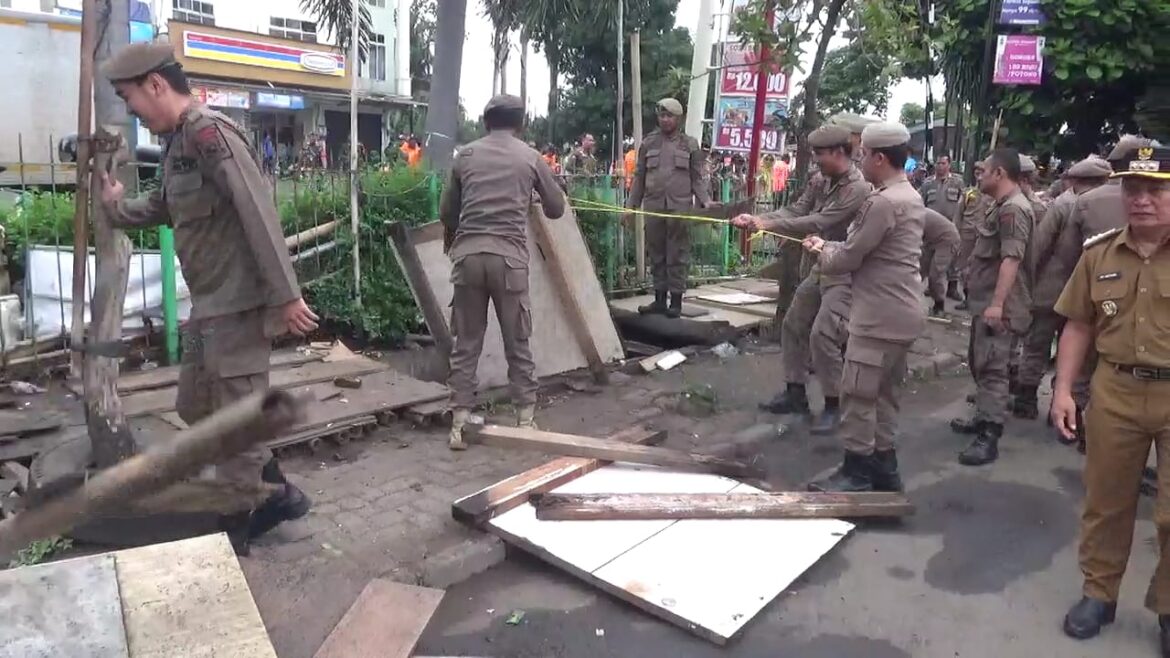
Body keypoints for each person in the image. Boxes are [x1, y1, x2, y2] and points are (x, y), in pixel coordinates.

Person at [96, 42, 319, 554]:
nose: (131, 111)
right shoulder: (178, 145)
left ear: (156, 85)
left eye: (131, 99)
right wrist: (115, 207)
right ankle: (279, 492)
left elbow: (257, 210)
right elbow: (163, 204)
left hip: (239, 307)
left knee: (235, 423)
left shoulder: (209, 132)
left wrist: (285, 296)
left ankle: (236, 530)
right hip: (210, 308)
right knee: (195, 406)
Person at [1050, 145, 1170, 654]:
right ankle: (1099, 594)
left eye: (1155, 189)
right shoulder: (1099, 253)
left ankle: (1168, 608)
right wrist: (1061, 390)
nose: (1141, 199)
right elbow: (1078, 324)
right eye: (1132, 189)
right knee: (1106, 502)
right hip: (1116, 391)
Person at [801, 122, 926, 492]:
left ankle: (856, 473)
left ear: (879, 158)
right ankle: (885, 468)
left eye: (863, 153)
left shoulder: (882, 202)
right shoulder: (909, 195)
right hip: (902, 312)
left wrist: (822, 248)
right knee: (886, 394)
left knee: (857, 394)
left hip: (877, 316)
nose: (859, 159)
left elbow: (849, 258)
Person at [438, 95, 565, 450]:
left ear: (484, 120)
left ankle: (459, 425)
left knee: (466, 343)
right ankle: (525, 420)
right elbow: (556, 209)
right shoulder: (530, 157)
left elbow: (447, 213)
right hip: (509, 260)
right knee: (517, 342)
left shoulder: (465, 156)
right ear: (521, 123)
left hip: (468, 258)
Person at [732, 125, 871, 431]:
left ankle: (835, 404)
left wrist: (764, 224)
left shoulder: (857, 187)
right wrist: (761, 220)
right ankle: (795, 392)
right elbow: (797, 209)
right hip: (821, 266)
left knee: (824, 335)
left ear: (838, 152)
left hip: (846, 270)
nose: (815, 160)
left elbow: (821, 220)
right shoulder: (821, 180)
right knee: (794, 324)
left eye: (820, 154)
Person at [950, 148, 1035, 466]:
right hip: (985, 301)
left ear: (999, 174)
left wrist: (998, 305)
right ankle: (983, 416)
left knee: (994, 368)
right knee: (981, 362)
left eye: (985, 171)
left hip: (1002, 305)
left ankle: (990, 435)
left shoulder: (1013, 209)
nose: (980, 175)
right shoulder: (999, 205)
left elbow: (1011, 258)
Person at [1013, 156, 1113, 420]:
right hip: (1091, 294)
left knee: (1036, 345)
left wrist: (1030, 281)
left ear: (1074, 180)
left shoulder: (1063, 203)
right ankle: (1069, 407)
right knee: (1081, 355)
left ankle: (1026, 400)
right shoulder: (1111, 203)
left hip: (1052, 289)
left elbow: (1040, 245)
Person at [626, 98, 711, 319]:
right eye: (662, 116)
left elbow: (697, 178)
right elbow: (640, 177)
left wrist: (706, 201)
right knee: (657, 254)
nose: (665, 120)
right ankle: (659, 299)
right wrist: (631, 206)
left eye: (669, 116)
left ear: (678, 119)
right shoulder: (649, 143)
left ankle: (676, 301)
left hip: (679, 207)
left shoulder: (689, 144)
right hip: (654, 206)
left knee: (677, 254)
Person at [918, 154, 966, 302]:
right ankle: (931, 288)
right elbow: (921, 202)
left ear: (949, 165)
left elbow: (963, 203)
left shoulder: (957, 182)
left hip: (952, 227)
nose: (940, 166)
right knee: (927, 260)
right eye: (938, 163)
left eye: (943, 163)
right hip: (931, 229)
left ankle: (952, 288)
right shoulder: (928, 183)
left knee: (953, 262)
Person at [953, 160, 993, 309]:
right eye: (976, 173)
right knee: (964, 268)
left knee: (980, 268)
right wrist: (955, 233)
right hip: (967, 234)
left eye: (982, 172)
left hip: (983, 235)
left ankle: (979, 298)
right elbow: (958, 215)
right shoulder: (969, 193)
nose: (979, 176)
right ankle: (967, 297)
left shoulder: (991, 195)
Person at [922, 207, 961, 316]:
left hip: (947, 240)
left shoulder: (916, 215)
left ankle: (939, 305)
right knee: (919, 270)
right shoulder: (915, 211)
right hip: (931, 239)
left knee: (935, 275)